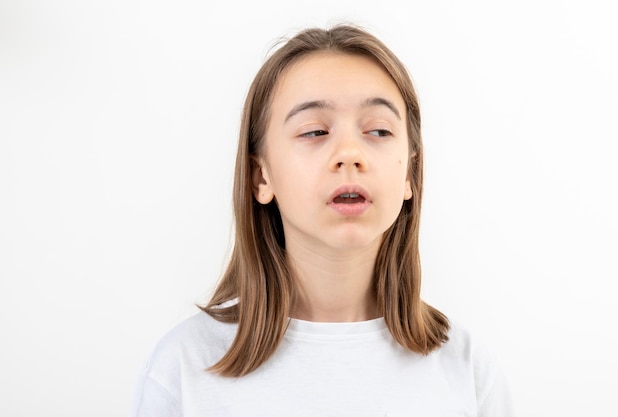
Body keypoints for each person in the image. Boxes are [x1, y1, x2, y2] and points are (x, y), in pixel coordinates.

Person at [132, 23, 515, 417]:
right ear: (261, 177)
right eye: (315, 131)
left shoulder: (469, 373)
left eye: (379, 130)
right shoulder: (183, 369)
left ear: (408, 176)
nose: (349, 153)